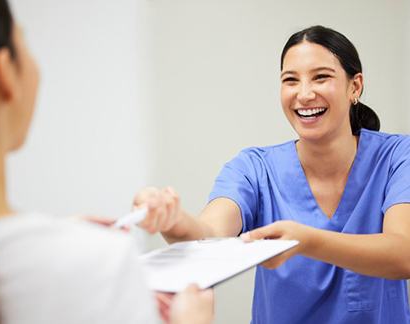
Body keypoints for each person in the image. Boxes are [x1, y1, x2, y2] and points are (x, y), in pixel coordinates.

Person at [133, 25, 410, 323]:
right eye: (290, 80)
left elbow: (403, 253)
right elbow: (209, 235)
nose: (304, 94)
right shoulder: (254, 168)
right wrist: (173, 218)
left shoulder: (397, 157)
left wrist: (305, 241)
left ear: (354, 86)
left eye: (321, 77)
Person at [0, 1, 214, 323]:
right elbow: (217, 232)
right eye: (24, 42)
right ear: (6, 72)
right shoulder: (99, 263)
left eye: (316, 77)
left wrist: (58, 234)